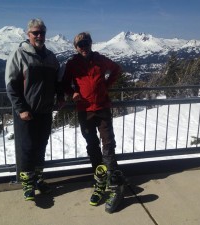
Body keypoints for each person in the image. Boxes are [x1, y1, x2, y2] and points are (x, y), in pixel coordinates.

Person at [62, 32, 125, 213]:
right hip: (84, 110)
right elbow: (65, 83)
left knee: (108, 144)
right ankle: (100, 179)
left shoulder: (100, 59)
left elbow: (116, 69)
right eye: (80, 44)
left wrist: (106, 85)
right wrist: (71, 92)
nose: (83, 47)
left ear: (91, 44)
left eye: (86, 43)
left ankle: (114, 185)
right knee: (92, 145)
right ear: (75, 47)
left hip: (102, 108)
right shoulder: (72, 64)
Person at [5, 18, 64, 201]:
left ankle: (38, 179)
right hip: (26, 113)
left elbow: (58, 80)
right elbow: (11, 85)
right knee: (27, 148)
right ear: (28, 34)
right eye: (35, 33)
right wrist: (21, 108)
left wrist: (60, 97)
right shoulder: (20, 54)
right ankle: (27, 183)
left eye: (42, 32)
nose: (39, 36)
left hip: (45, 111)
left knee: (40, 147)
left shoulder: (50, 57)